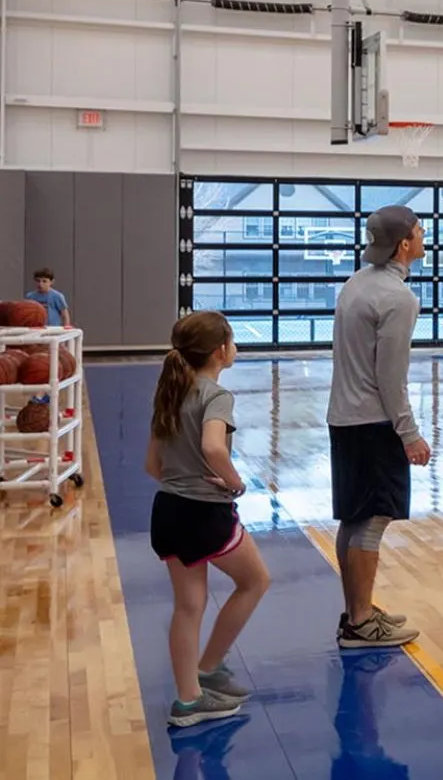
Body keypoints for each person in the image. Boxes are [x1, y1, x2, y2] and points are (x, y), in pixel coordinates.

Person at [148, 311, 270, 728]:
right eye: (232, 341)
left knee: (189, 605)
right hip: (205, 514)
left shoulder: (169, 392)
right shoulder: (216, 396)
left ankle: (189, 700)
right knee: (256, 581)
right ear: (221, 351)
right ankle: (209, 665)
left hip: (167, 510)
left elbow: (153, 464)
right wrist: (235, 484)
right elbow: (214, 448)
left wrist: (182, 481)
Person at [328, 204, 427, 649]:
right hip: (373, 423)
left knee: (354, 518)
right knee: (372, 521)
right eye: (420, 231)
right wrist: (409, 433)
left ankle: (356, 614)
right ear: (404, 243)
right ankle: (362, 621)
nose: (425, 237)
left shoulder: (355, 284)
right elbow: (391, 377)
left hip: (344, 418)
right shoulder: (399, 299)